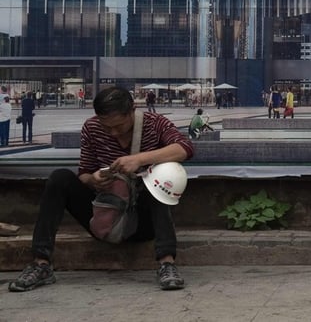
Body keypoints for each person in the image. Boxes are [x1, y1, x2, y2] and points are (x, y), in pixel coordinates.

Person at [8, 86, 194, 292]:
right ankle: (41, 263)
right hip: (105, 215)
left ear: (132, 110)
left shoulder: (155, 123)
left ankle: (167, 263)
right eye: (107, 127)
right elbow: (84, 172)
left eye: (119, 126)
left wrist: (138, 160)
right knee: (59, 177)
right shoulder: (92, 128)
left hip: (143, 220)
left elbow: (184, 148)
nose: (114, 132)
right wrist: (93, 180)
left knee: (161, 175)